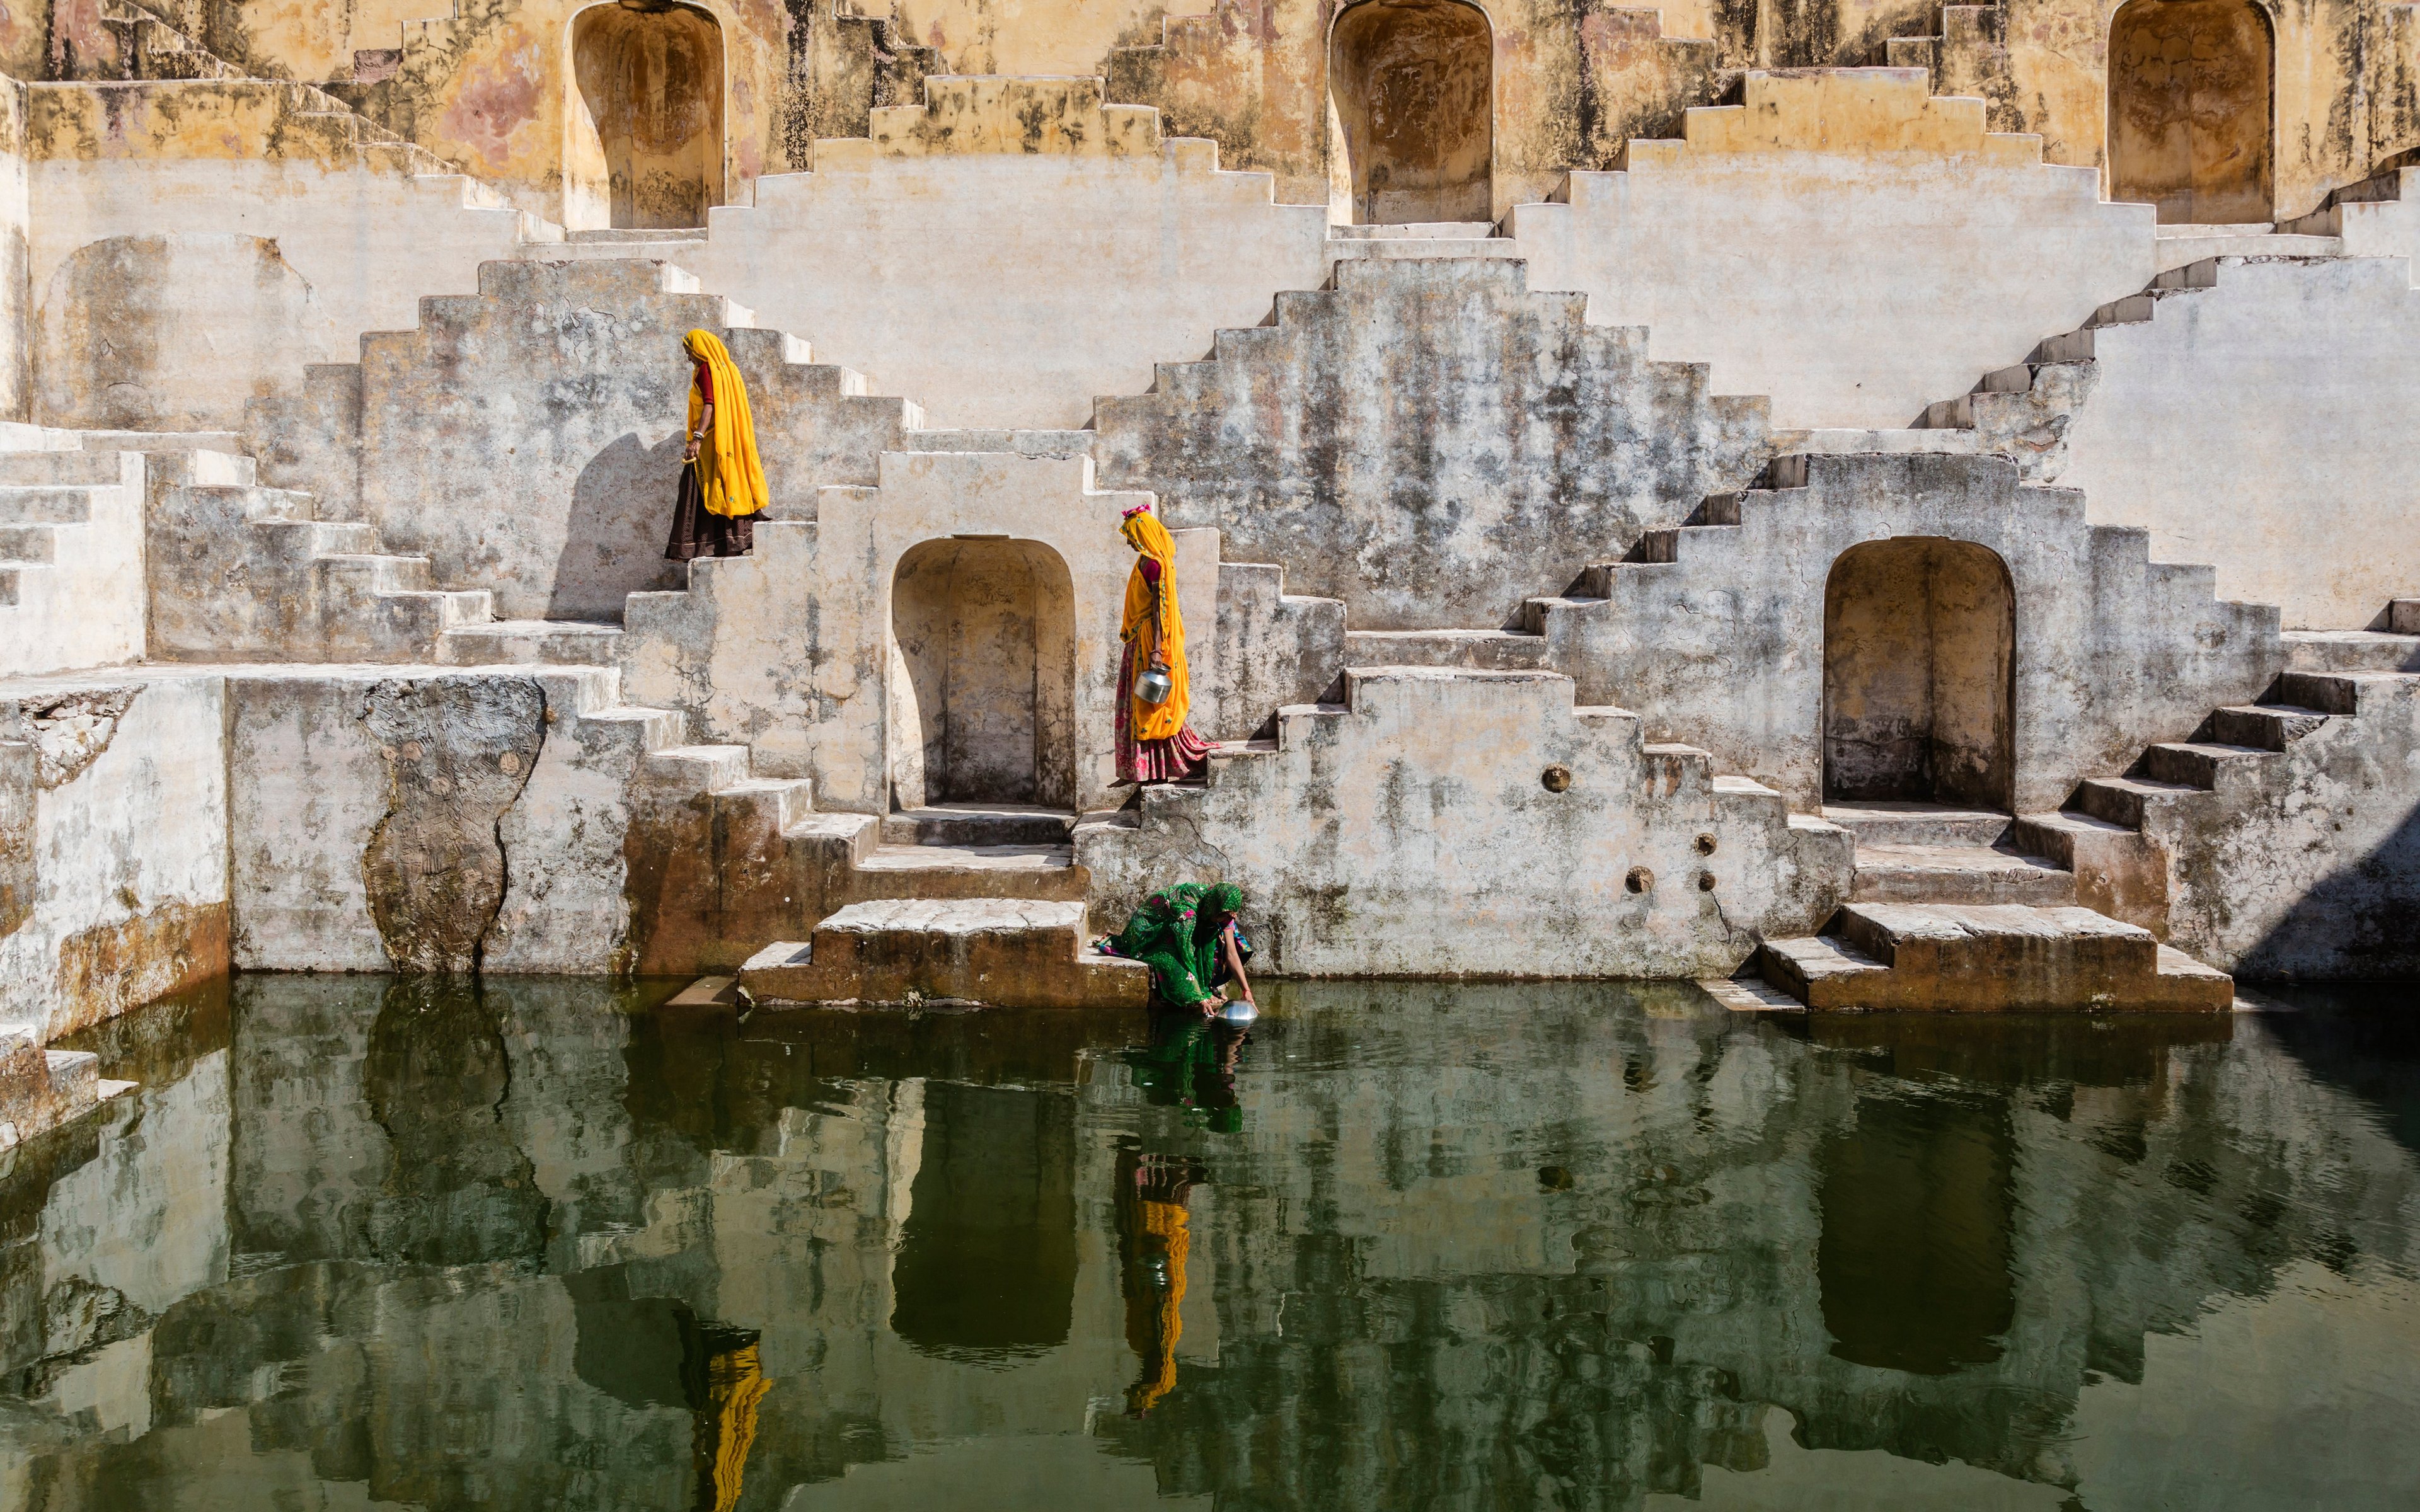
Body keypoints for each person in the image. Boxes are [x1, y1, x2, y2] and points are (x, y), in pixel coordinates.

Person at [1115, 502, 1214, 784]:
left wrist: (1157, 650)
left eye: (1132, 537)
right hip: (1138, 638)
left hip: (1149, 641)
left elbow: (1161, 610)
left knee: (1149, 705)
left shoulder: (1156, 566)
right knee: (1139, 704)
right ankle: (1142, 770)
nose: (1129, 543)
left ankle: (1156, 770)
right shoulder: (1145, 561)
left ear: (1144, 537)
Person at [664, 328, 769, 561]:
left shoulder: (705, 370)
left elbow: (710, 406)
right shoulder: (728, 370)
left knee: (699, 490)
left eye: (689, 351)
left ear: (699, 349)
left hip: (710, 444)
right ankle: (733, 541)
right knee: (727, 486)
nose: (688, 357)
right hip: (727, 442)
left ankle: (704, 547)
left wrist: (697, 438)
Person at [1098, 881, 1255, 1016]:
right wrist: (1198, 997)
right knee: (1169, 958)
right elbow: (1185, 953)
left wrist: (1246, 992)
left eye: (1230, 917)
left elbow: (1232, 953)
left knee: (1216, 944)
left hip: (1184, 927)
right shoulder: (1187, 910)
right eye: (1224, 916)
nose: (1227, 921)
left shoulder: (1221, 910)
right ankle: (1194, 992)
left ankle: (1204, 986)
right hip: (1149, 929)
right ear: (1216, 908)